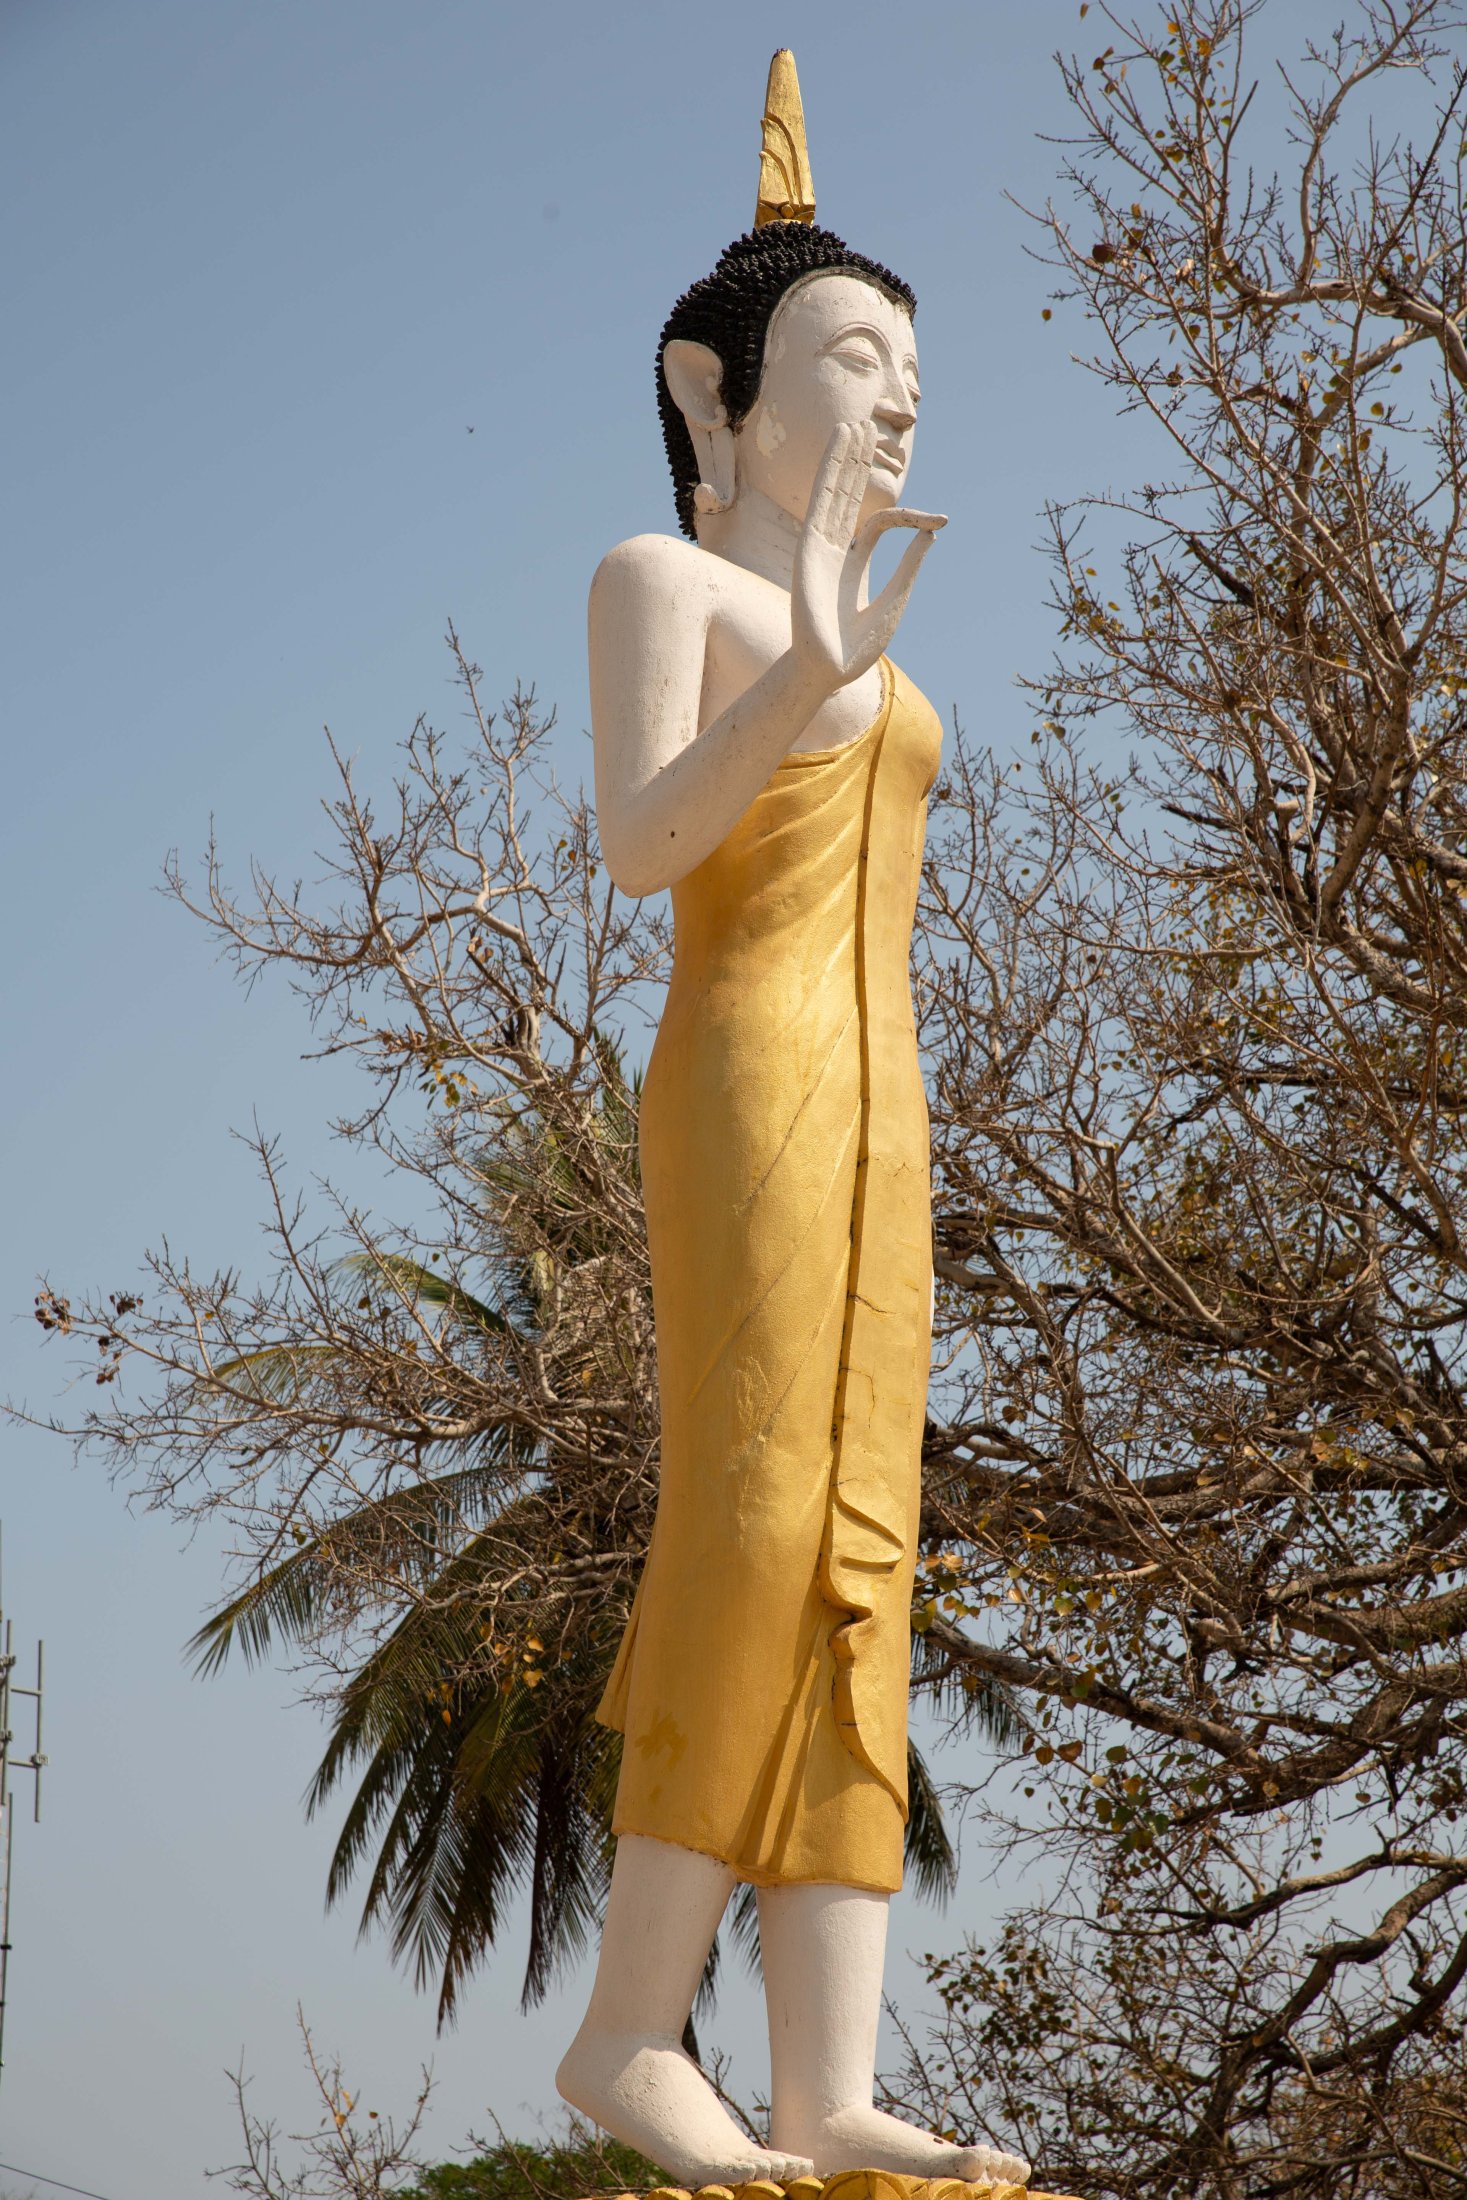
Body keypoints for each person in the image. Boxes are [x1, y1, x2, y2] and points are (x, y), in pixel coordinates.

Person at [556, 55, 1030, 2195]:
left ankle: (824, 2075)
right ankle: (627, 2027)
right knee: (751, 1513)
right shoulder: (669, 586)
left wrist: (847, 657)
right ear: (713, 396)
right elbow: (640, 847)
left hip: (883, 1105)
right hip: (744, 1068)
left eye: (912, 370)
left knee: (862, 1546)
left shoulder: (871, 637)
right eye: (853, 357)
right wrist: (801, 666)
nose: (898, 398)